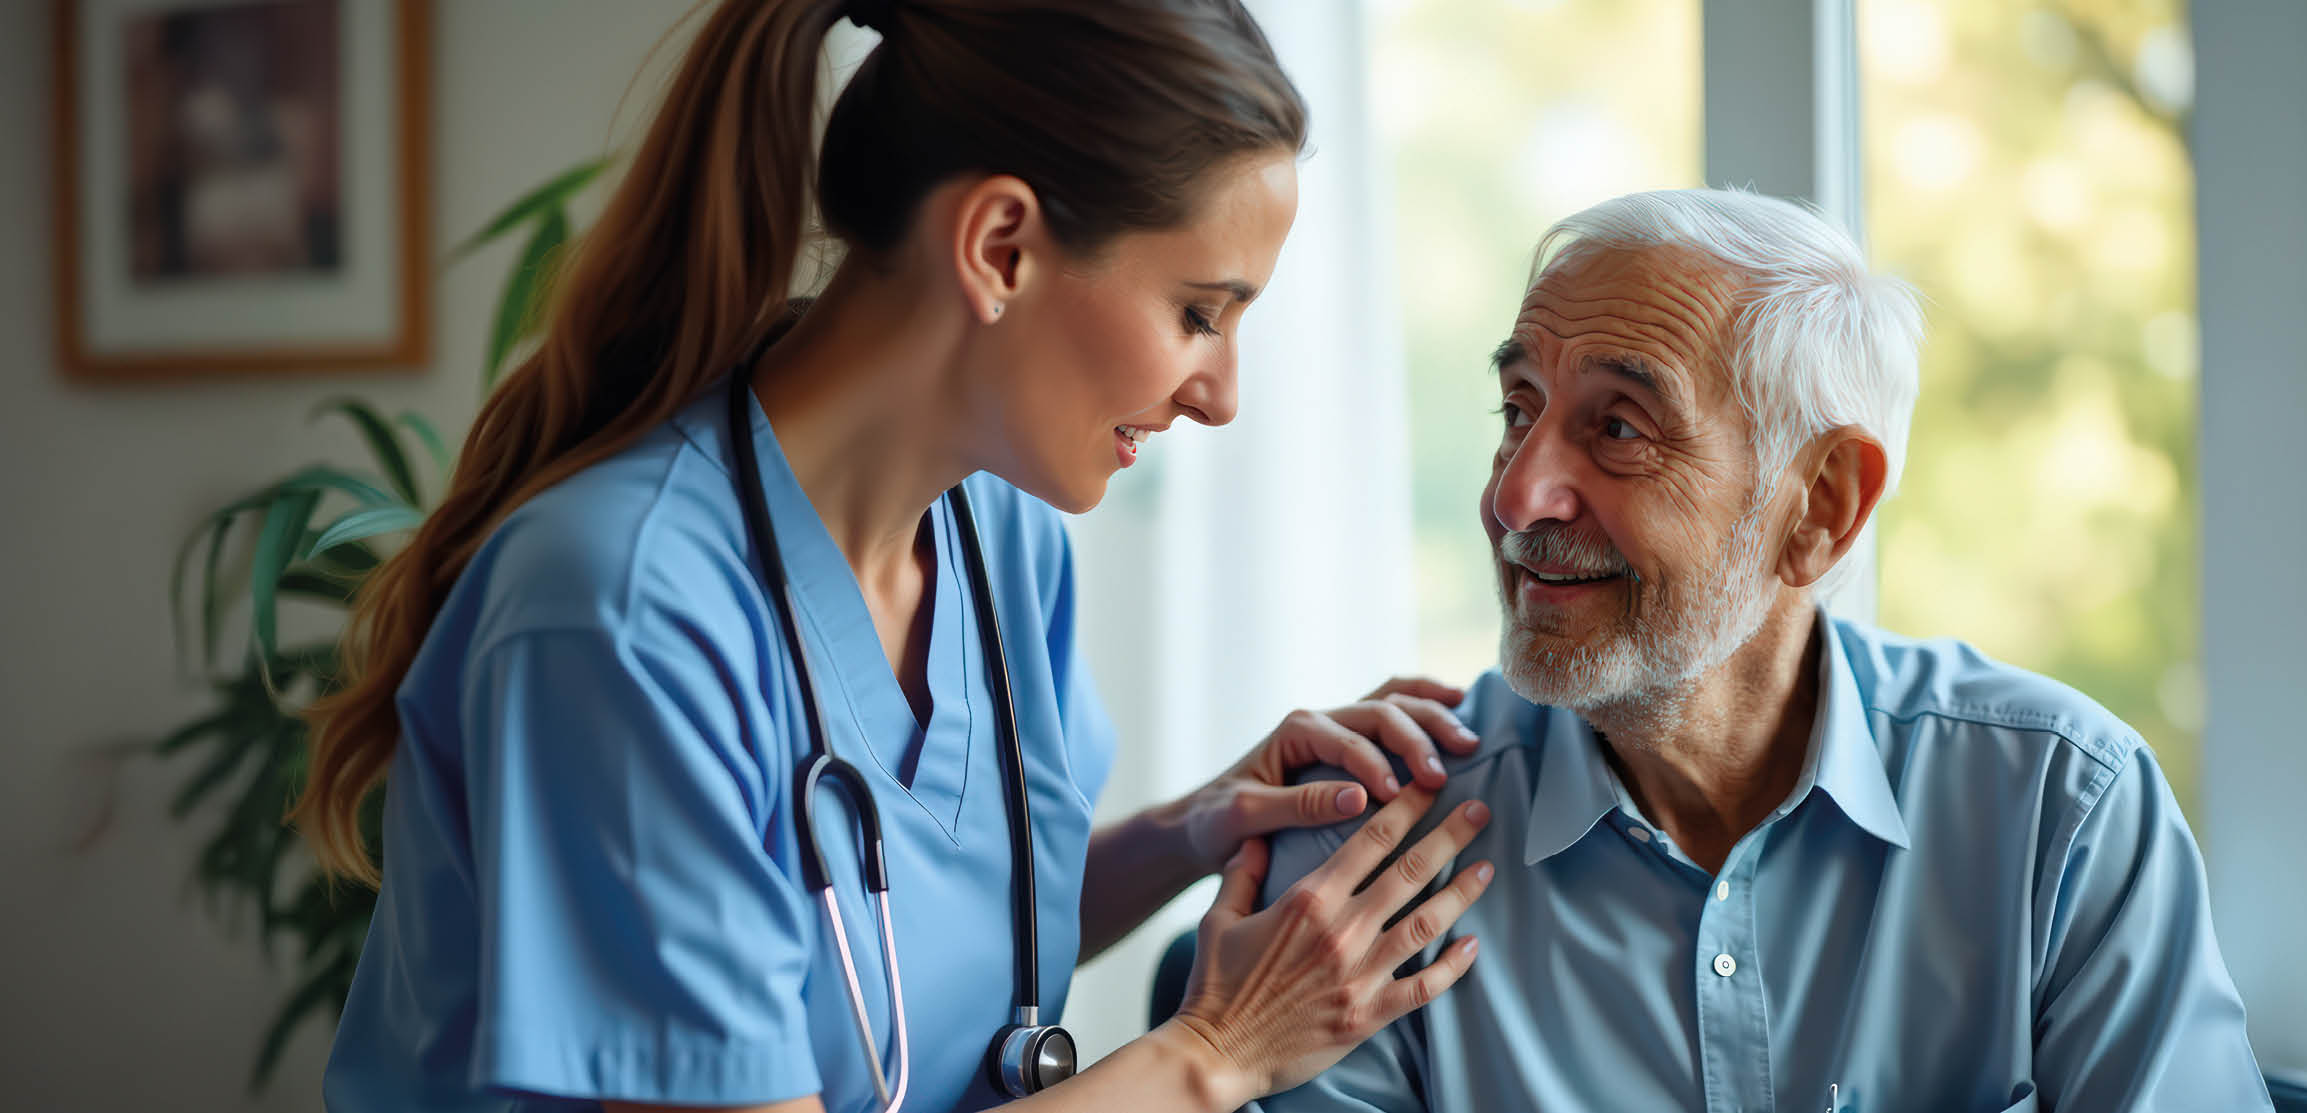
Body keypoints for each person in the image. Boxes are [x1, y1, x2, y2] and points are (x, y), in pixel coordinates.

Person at [294, 2, 1498, 1111]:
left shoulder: (1002, 538)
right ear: (1000, 247)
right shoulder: (621, 609)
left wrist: (1198, 828)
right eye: (1199, 313)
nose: (1221, 394)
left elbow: (924, 943)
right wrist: (1217, 1051)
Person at [1252, 189, 2271, 1112]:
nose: (1516, 496)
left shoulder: (2061, 808)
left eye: (1618, 429)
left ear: (1822, 505)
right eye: (1517, 411)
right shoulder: (1364, 853)